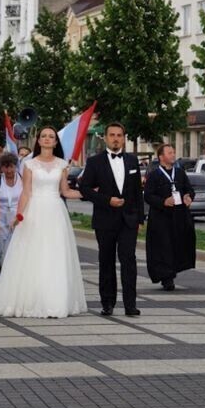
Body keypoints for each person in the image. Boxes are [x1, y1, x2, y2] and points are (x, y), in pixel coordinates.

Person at [0, 127, 86, 318]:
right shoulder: (29, 164)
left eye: (51, 136)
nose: (48, 139)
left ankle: (55, 301)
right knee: (33, 254)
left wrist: (90, 194)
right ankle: (32, 299)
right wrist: (19, 215)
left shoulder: (62, 165)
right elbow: (26, 192)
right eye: (44, 136)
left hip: (56, 212)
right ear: (38, 141)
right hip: (34, 210)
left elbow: (65, 191)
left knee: (55, 255)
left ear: (56, 142)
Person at [79, 122, 145, 317]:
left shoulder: (133, 161)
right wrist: (107, 200)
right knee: (106, 261)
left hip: (128, 220)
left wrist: (140, 218)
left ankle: (130, 304)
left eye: (119, 135)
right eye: (112, 135)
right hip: (105, 220)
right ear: (105, 138)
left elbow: (137, 192)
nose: (116, 138)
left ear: (124, 138)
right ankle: (107, 303)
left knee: (129, 261)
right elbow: (85, 189)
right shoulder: (94, 162)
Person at [144, 143, 196, 291]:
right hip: (161, 218)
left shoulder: (180, 173)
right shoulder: (154, 175)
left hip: (179, 216)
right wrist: (163, 202)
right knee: (163, 247)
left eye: (173, 152)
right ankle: (167, 278)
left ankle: (173, 271)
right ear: (161, 157)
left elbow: (189, 190)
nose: (173, 155)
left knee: (177, 245)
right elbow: (148, 196)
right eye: (169, 153)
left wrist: (189, 197)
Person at [0, 153, 22, 259]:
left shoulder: (23, 180)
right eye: (6, 167)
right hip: (2, 222)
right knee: (3, 252)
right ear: (1, 167)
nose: (9, 170)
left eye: (11, 166)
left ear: (15, 166)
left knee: (19, 251)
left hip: (19, 221)